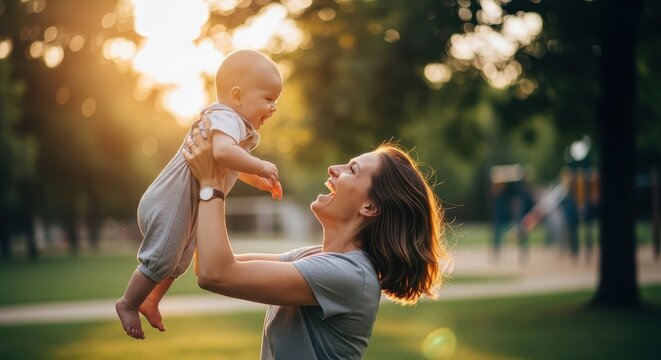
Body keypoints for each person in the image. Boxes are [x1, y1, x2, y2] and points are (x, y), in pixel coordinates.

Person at [182, 120, 452, 359]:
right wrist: (218, 174)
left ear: (369, 207)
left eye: (352, 170)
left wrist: (212, 184)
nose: (334, 168)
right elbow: (208, 262)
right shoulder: (312, 258)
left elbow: (215, 273)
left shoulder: (350, 275)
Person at [116, 49, 284, 339]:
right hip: (169, 203)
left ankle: (151, 299)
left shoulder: (235, 126)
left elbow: (226, 161)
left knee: (180, 261)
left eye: (276, 101)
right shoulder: (225, 117)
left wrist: (254, 179)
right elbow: (221, 152)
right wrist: (260, 164)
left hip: (186, 207)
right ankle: (127, 303)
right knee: (162, 260)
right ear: (236, 95)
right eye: (268, 99)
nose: (274, 108)